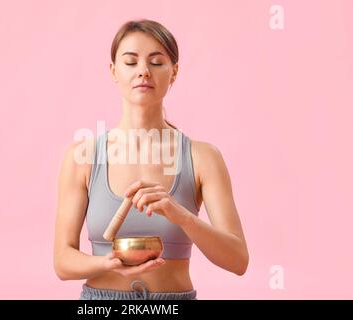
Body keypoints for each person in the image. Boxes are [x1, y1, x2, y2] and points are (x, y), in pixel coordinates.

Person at [54, 19, 249, 300]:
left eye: (156, 62)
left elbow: (237, 260)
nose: (143, 71)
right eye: (131, 62)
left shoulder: (204, 158)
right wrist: (107, 264)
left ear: (174, 72)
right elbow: (62, 260)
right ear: (114, 71)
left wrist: (183, 217)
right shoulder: (81, 157)